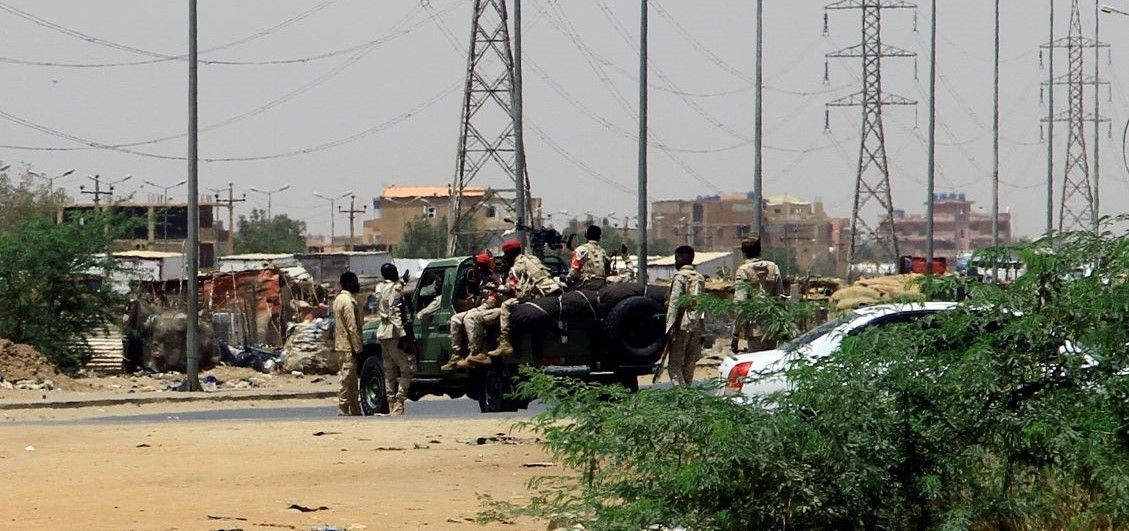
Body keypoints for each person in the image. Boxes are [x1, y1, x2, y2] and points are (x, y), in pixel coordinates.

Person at [477, 239, 561, 362]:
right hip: (551, 292)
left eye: (506, 254)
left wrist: (493, 285)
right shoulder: (533, 259)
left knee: (506, 305)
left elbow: (510, 290)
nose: (505, 257)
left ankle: (504, 341)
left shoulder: (516, 268)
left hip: (537, 296)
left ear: (510, 254)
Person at [441, 252, 505, 371]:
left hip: (495, 306)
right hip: (484, 306)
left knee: (469, 317)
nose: (479, 269)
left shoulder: (496, 277)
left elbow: (503, 295)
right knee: (455, 319)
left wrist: (495, 280)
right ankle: (456, 355)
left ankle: (476, 351)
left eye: (481, 266)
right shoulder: (481, 279)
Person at [730, 235, 785, 354]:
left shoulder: (743, 270)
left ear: (743, 252)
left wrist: (736, 333)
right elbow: (781, 298)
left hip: (755, 329)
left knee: (757, 365)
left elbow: (741, 305)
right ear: (760, 250)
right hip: (773, 327)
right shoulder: (773, 267)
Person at [374, 263, 413, 415]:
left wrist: (403, 281)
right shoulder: (396, 291)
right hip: (393, 333)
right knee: (407, 369)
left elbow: (393, 287)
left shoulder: (381, 288)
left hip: (383, 333)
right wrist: (403, 335)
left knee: (389, 371)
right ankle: (399, 401)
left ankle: (391, 403)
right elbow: (395, 312)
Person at [663, 245, 705, 386]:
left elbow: (674, 304)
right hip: (696, 326)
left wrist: (668, 329)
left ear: (680, 259)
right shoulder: (699, 278)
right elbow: (702, 304)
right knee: (689, 367)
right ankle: (687, 397)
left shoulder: (680, 277)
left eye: (676, 259)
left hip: (682, 325)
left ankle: (683, 397)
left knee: (674, 367)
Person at [332, 272, 364, 416]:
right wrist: (358, 348)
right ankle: (343, 408)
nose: (358, 284)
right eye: (355, 281)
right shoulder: (348, 301)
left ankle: (355, 410)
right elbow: (352, 327)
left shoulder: (338, 299)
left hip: (340, 345)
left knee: (351, 381)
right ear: (349, 283)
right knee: (346, 379)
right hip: (348, 347)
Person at [567, 225, 611, 290]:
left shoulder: (580, 250)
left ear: (586, 236)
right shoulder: (603, 252)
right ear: (599, 238)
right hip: (601, 285)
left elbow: (574, 271)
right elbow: (607, 270)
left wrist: (566, 278)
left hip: (586, 285)